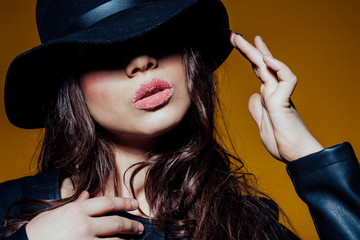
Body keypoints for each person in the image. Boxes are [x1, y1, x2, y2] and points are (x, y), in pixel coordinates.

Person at [0, 0, 359, 239]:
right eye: (103, 47)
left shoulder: (248, 226)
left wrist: (308, 157)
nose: (141, 61)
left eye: (156, 32)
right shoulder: (9, 209)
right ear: (70, 83)